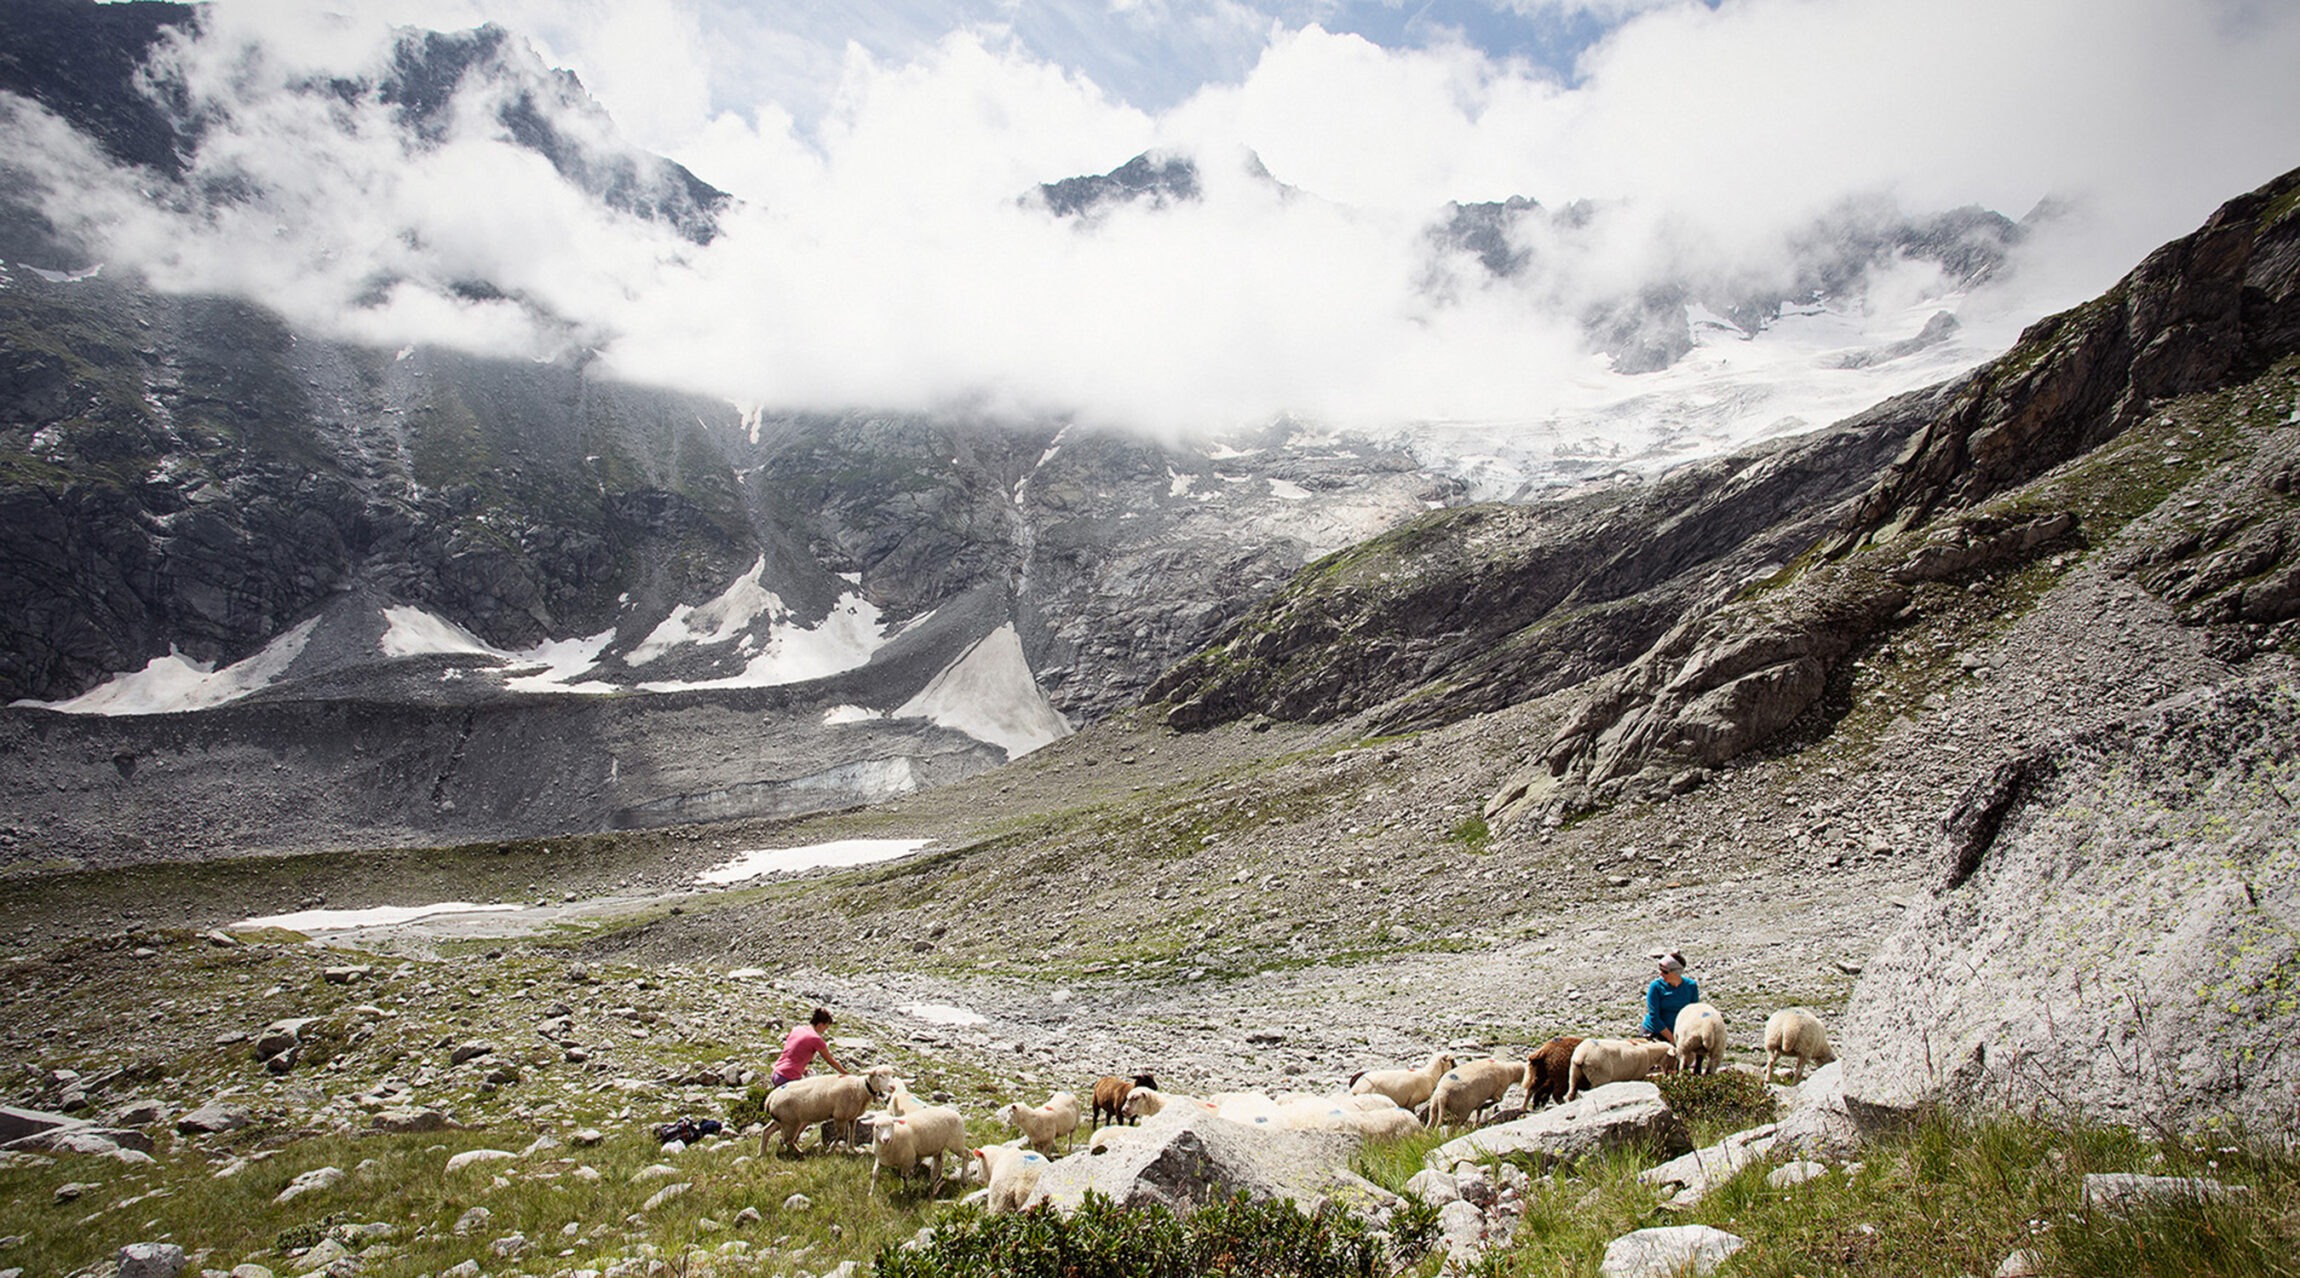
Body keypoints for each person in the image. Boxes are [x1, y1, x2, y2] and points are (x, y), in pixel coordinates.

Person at [770, 1007, 850, 1086]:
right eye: (826, 1026)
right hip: (788, 1077)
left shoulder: (797, 1029)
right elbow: (831, 1061)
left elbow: (792, 1052)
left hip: (777, 1073)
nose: (826, 1029)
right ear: (820, 1025)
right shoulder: (816, 1039)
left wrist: (802, 1070)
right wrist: (847, 1074)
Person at [1642, 951, 1700, 1044]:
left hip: (1679, 1034)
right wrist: (1672, 1040)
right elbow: (1654, 1017)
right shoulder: (1656, 986)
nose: (1661, 973)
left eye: (1665, 971)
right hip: (1655, 1032)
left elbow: (1693, 1013)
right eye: (1660, 969)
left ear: (1676, 972)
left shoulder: (1691, 986)